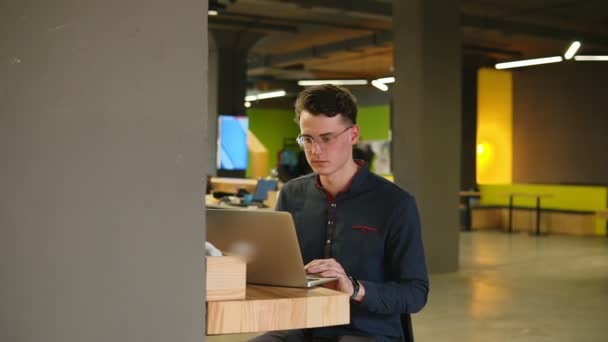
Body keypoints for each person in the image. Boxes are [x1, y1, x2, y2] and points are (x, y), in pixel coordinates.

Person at [255, 85, 429, 342]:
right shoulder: (292, 194)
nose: (315, 150)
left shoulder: (395, 204)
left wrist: (355, 288)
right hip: (303, 327)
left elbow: (415, 293)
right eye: (308, 139)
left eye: (327, 138)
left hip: (365, 331)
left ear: (353, 134)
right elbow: (278, 270)